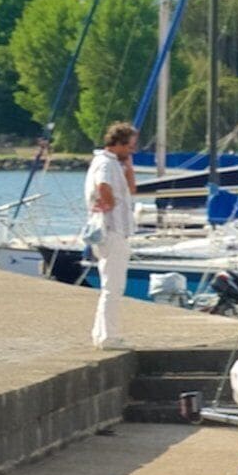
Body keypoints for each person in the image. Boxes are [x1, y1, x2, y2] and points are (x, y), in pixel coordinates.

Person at [83, 121, 140, 349]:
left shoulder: (116, 163)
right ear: (117, 143)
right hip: (111, 230)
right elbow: (103, 185)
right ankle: (109, 336)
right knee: (113, 286)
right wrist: (109, 202)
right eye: (129, 146)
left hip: (115, 230)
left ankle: (100, 332)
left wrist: (129, 166)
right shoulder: (105, 163)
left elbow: (132, 189)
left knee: (111, 284)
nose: (131, 151)